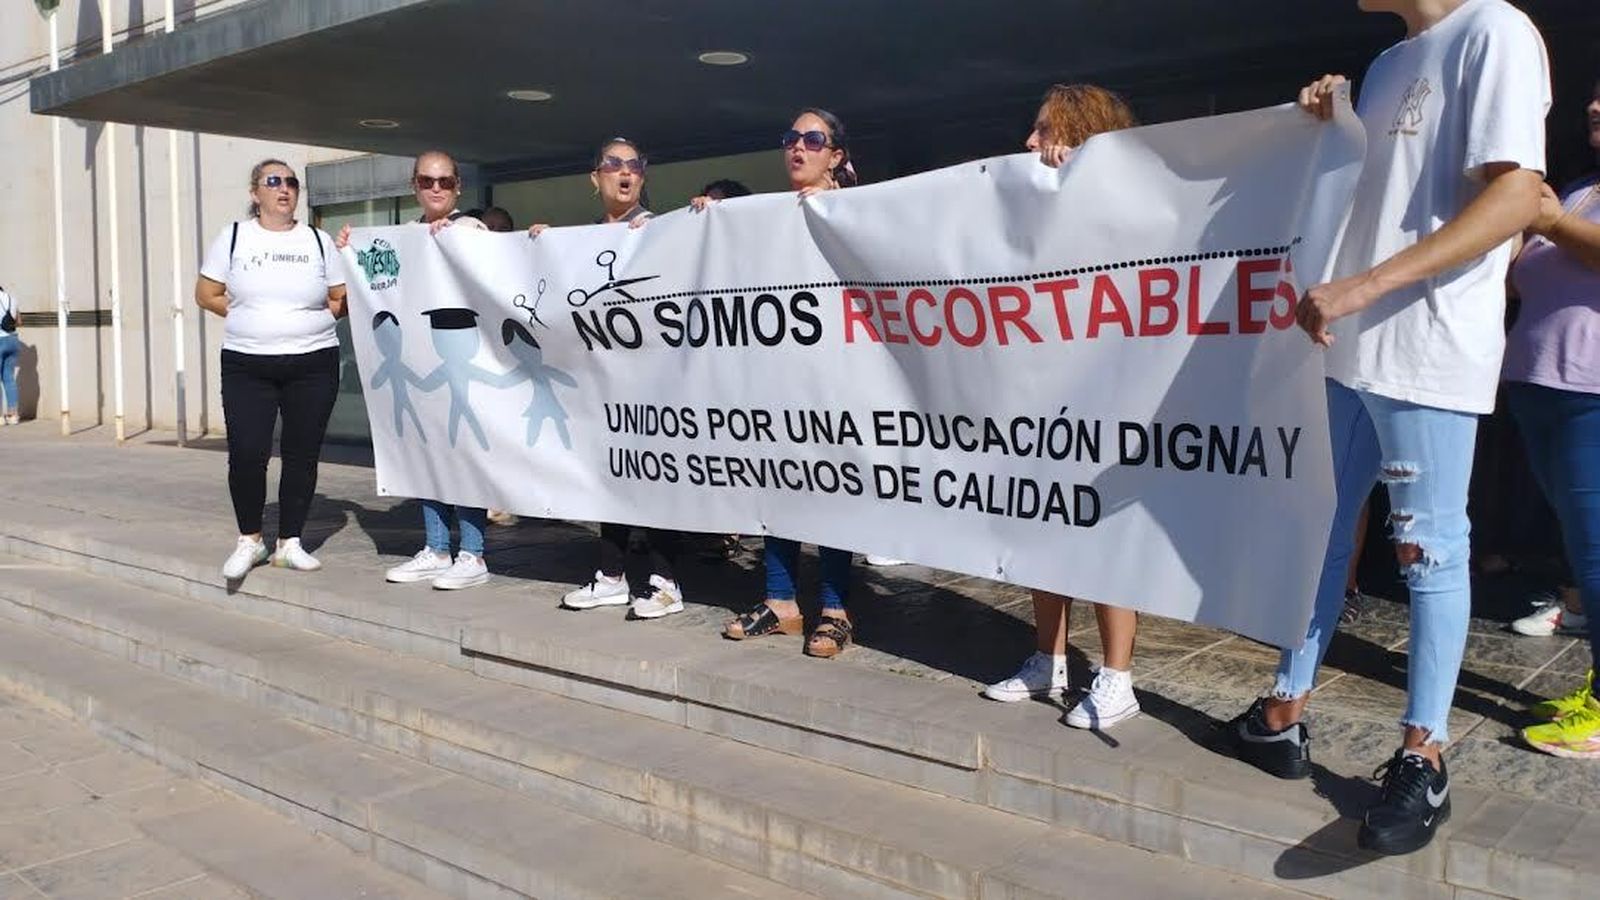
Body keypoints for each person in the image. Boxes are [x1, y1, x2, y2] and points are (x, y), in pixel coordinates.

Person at [1227, 0, 1550, 857]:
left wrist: (1363, 288)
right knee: (1321, 533)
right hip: (1348, 349)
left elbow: (1520, 195)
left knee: (1429, 549)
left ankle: (1424, 756)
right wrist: (1328, 122)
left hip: (1427, 344)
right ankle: (1282, 711)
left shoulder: (1496, 31)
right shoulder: (1388, 62)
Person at [980, 84, 1143, 729]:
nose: (1030, 143)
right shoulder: (1031, 201)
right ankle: (1047, 659)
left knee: (1103, 534)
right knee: (1044, 524)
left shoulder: (1126, 202)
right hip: (1044, 389)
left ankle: (1118, 677)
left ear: (1079, 135)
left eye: (1044, 130)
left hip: (1108, 390)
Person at [694, 108, 863, 657]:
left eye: (813, 139)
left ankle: (835, 610)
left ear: (835, 156)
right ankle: (782, 601)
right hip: (778, 379)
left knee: (835, 493)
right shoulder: (766, 215)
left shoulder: (855, 210)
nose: (798, 147)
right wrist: (707, 219)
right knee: (778, 484)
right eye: (790, 137)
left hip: (837, 380)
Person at [533, 138, 685, 620]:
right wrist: (538, 247)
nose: (625, 173)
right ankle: (612, 576)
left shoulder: (661, 229)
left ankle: (664, 582)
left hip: (654, 382)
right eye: (613, 165)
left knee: (654, 482)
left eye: (635, 166)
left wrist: (693, 221)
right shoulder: (581, 240)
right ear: (594, 178)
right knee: (610, 478)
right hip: (601, 381)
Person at [338, 150, 494, 590]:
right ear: (415, 185)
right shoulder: (403, 237)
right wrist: (352, 247)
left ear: (458, 186)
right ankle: (437, 546)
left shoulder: (472, 229)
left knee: (465, 459)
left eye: (444, 180)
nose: (437, 188)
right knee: (426, 455)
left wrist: (458, 243)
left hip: (462, 360)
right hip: (420, 361)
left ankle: (474, 552)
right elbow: (377, 282)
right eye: (427, 181)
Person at [1503, 78, 1600, 758]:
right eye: (1593, 96)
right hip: (1543, 387)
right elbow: (1522, 276)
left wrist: (1550, 223)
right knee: (1582, 549)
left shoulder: (1563, 207)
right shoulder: (1578, 188)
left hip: (1590, 393)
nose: (1592, 106)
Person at [195, 159, 347, 581]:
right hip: (247, 364)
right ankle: (250, 540)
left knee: (301, 453)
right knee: (247, 453)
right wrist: (251, 314)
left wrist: (308, 321)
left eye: (292, 183)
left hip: (313, 362)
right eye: (274, 182)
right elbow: (206, 293)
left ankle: (290, 543)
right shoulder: (234, 236)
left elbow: (340, 297)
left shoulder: (318, 241)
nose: (285, 189)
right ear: (255, 192)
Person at [0, 284, 19, 425]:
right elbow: (19, 321)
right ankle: (13, 415)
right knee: (9, 379)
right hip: (13, 340)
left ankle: (0, 417)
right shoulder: (12, 298)